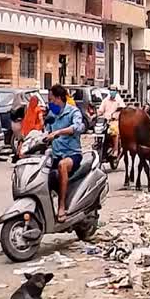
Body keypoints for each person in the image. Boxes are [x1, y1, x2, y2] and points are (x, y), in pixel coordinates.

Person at [45, 85, 85, 223]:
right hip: (55, 154)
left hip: (72, 155)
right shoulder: (51, 115)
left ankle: (61, 206)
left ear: (59, 99)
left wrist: (59, 132)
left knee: (62, 165)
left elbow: (79, 127)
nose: (50, 103)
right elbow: (46, 131)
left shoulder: (73, 112)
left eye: (51, 100)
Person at [97, 85, 124, 154]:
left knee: (114, 131)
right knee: (97, 130)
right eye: (111, 90)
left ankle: (115, 149)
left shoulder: (119, 100)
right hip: (105, 120)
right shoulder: (105, 100)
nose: (112, 92)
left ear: (116, 92)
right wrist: (96, 114)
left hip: (114, 121)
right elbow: (100, 110)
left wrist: (116, 114)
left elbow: (122, 108)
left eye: (114, 90)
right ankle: (98, 145)